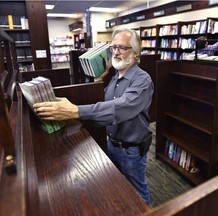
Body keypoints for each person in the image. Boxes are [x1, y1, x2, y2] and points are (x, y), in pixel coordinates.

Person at [33, 28, 154, 206]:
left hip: (131, 150)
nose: (116, 52)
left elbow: (120, 108)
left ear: (136, 54)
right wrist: (98, 80)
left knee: (138, 192)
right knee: (118, 187)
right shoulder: (114, 76)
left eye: (122, 48)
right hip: (111, 143)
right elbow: (102, 101)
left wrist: (75, 111)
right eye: (114, 47)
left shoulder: (142, 80)